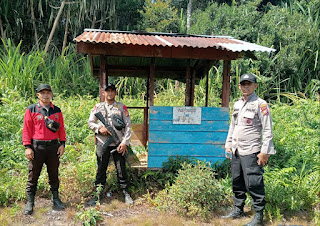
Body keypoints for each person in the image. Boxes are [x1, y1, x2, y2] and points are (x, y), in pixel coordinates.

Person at [222, 73, 275, 226]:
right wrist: (228, 144)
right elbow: (233, 126)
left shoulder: (261, 104)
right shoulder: (237, 104)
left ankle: (258, 216)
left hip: (252, 150)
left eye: (249, 84)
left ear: (255, 86)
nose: (245, 86)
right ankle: (238, 210)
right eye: (243, 84)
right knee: (236, 181)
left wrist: (265, 151)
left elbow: (267, 129)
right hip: (237, 150)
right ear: (239, 86)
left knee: (254, 182)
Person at [22, 84, 66, 215]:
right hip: (37, 147)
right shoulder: (32, 109)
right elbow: (27, 129)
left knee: (54, 173)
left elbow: (61, 128)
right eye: (43, 93)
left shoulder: (56, 110)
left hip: (53, 147)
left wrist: (62, 144)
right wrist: (27, 147)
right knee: (33, 175)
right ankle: (30, 202)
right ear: (38, 95)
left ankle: (56, 199)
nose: (46, 95)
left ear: (51, 94)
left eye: (48, 92)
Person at [87, 83, 133, 206]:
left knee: (121, 169)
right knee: (101, 168)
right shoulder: (98, 107)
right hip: (103, 143)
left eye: (112, 91)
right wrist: (99, 128)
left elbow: (128, 126)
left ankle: (125, 192)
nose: (110, 93)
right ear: (103, 93)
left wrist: (124, 142)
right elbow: (90, 122)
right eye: (108, 91)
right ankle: (98, 193)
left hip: (118, 143)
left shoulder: (121, 107)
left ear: (115, 93)